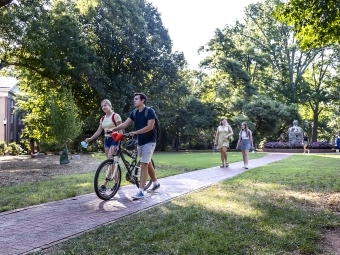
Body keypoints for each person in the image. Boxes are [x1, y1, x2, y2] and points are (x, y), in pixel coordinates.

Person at [110, 92, 160, 199]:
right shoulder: (134, 113)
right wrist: (112, 130)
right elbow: (124, 124)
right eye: (134, 99)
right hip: (140, 141)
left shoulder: (149, 111)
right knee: (147, 162)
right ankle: (155, 183)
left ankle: (141, 191)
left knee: (143, 164)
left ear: (143, 100)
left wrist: (136, 132)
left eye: (136, 99)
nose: (134, 100)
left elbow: (150, 127)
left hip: (150, 141)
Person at [85, 99, 123, 192]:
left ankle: (104, 184)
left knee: (110, 162)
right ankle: (116, 183)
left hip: (115, 139)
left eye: (105, 105)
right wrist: (91, 138)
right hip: (106, 140)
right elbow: (99, 131)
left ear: (110, 105)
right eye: (102, 106)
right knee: (110, 162)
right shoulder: (102, 118)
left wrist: (120, 141)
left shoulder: (116, 116)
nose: (104, 107)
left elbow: (121, 129)